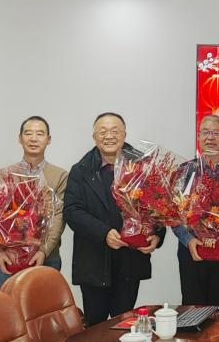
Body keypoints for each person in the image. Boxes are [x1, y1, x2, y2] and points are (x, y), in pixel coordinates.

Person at [64, 113, 164, 326]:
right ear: (94, 137)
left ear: (124, 134)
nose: (109, 136)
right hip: (93, 260)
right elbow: (72, 211)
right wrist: (103, 233)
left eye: (115, 131)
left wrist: (157, 235)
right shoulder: (80, 170)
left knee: (125, 324)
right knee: (95, 326)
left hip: (130, 260)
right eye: (103, 132)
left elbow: (159, 206)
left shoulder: (143, 166)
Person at [172, 114, 219, 306]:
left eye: (216, 133)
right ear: (199, 137)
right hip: (192, 251)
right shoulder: (185, 170)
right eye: (205, 133)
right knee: (191, 307)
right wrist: (188, 240)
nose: (210, 137)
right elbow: (173, 213)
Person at [0, 116, 68, 290]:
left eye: (40, 134)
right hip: (9, 257)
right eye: (28, 133)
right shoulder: (4, 174)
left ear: (48, 139)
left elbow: (59, 217)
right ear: (20, 138)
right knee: (6, 306)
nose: (34, 138)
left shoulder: (60, 175)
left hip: (46, 258)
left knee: (44, 306)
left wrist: (43, 251)